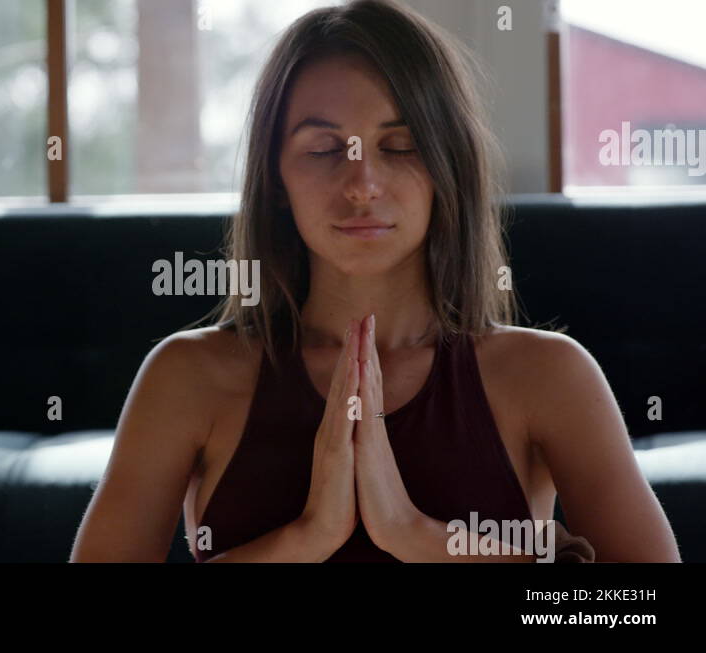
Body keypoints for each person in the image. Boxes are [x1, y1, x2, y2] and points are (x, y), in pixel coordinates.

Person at [70, 0, 681, 562]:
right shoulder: (186, 376)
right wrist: (306, 537)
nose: (362, 183)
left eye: (402, 145)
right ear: (275, 180)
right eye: (324, 148)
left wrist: (414, 534)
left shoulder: (548, 375)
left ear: (448, 168)